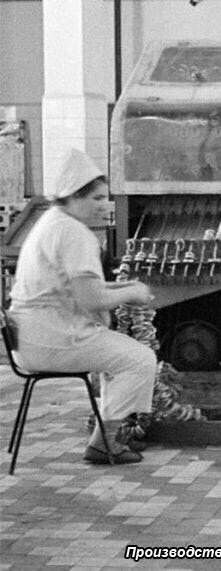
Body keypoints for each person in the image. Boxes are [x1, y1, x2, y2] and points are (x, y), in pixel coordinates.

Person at [9, 149, 157, 465]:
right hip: (50, 338)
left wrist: (122, 289)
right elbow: (91, 299)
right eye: (96, 199)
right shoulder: (74, 232)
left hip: (32, 335)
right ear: (74, 197)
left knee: (114, 355)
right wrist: (134, 291)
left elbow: (82, 290)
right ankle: (104, 442)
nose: (104, 206)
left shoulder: (52, 221)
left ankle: (107, 435)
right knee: (141, 360)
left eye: (106, 198)